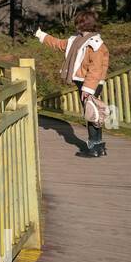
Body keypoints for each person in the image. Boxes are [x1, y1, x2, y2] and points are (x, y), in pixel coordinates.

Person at [35, 9, 111, 157]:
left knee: (92, 114)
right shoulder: (77, 40)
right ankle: (98, 146)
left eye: (78, 22)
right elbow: (58, 43)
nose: (77, 25)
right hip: (84, 82)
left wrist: (88, 89)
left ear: (83, 24)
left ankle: (94, 147)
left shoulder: (95, 44)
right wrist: (40, 34)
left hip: (90, 83)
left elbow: (95, 69)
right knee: (93, 114)